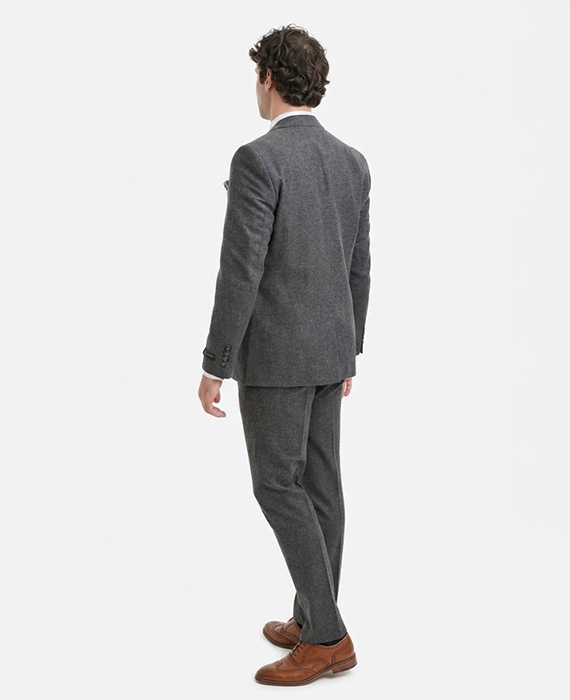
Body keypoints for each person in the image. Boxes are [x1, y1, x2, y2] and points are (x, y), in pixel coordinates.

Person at [197, 24, 371, 686]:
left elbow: (240, 271)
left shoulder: (257, 159)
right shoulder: (352, 161)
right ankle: (312, 613)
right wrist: (349, 350)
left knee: (277, 484)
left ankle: (327, 637)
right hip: (329, 350)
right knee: (321, 485)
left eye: (257, 77)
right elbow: (360, 266)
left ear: (268, 78)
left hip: (275, 357)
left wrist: (215, 362)